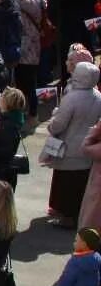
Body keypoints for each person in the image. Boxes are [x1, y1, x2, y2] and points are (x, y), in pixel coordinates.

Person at [44, 62, 101, 227]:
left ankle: (67, 218)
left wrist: (52, 122)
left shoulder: (71, 98)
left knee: (66, 183)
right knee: (82, 184)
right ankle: (78, 216)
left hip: (68, 147)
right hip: (89, 147)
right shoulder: (98, 96)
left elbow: (59, 124)